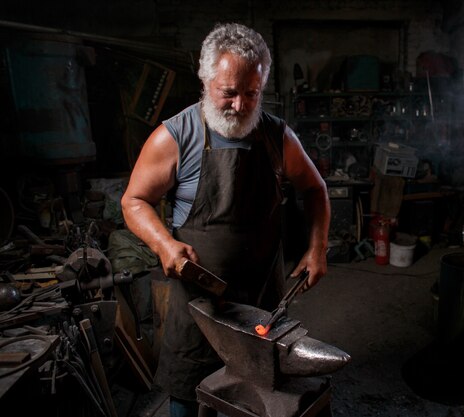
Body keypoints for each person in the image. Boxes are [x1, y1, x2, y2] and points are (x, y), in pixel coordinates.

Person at [120, 22, 330, 417]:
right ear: (206, 80)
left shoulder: (277, 137)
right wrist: (164, 243)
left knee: (261, 394)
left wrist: (317, 248)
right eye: (228, 93)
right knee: (188, 393)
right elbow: (133, 200)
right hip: (199, 305)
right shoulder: (175, 136)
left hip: (264, 300)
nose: (240, 105)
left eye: (251, 94)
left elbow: (316, 190)